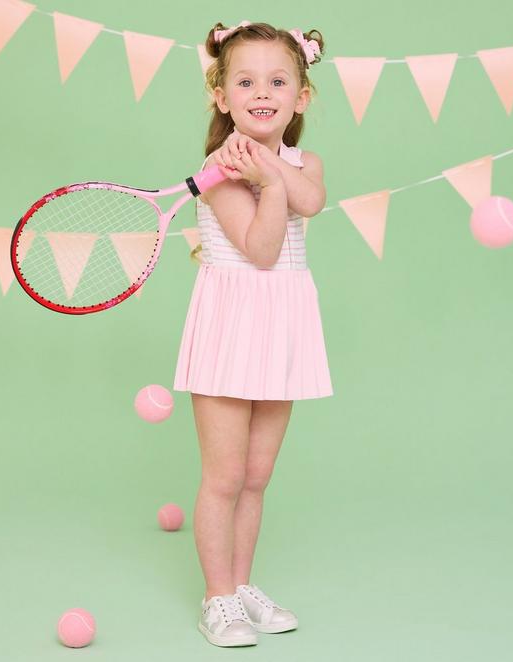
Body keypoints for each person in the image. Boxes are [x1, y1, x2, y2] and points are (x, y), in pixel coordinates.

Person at [172, 20, 333, 647]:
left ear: (301, 96)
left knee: (258, 476)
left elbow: (311, 201)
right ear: (222, 95)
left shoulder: (303, 161)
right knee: (224, 476)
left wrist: (272, 170)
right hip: (229, 325)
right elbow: (263, 250)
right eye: (245, 80)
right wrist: (265, 180)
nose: (261, 92)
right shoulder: (218, 171)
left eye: (277, 80)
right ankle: (217, 599)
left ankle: (241, 586)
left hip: (285, 325)